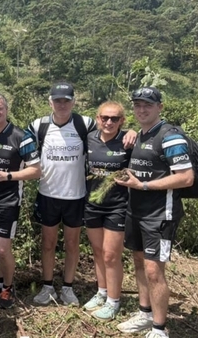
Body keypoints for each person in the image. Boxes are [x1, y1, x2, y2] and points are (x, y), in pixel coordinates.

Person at [28, 82, 135, 306]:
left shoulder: (83, 124)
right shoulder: (39, 125)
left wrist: (132, 132)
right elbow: (22, 146)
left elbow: (110, 133)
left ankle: (67, 288)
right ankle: (47, 286)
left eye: (67, 100)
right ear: (50, 102)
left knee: (72, 243)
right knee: (48, 243)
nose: (62, 104)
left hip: (76, 196)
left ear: (73, 102)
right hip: (48, 194)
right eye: (58, 100)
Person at [114, 87, 193, 338]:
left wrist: (145, 186)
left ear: (160, 106)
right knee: (139, 262)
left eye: (147, 105)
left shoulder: (170, 136)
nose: (141, 109)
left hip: (160, 213)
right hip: (136, 211)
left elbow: (185, 177)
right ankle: (145, 314)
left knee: (154, 270)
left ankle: (160, 332)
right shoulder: (140, 135)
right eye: (137, 105)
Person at [0, 93, 40, 308]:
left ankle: (9, 287)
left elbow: (37, 170)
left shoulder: (21, 136)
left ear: (6, 110)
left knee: (3, 248)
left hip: (8, 200)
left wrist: (7, 176)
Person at [81, 101, 131, 321]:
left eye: (114, 118)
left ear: (122, 121)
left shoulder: (128, 141)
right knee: (98, 251)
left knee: (111, 255)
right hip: (92, 203)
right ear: (97, 118)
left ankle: (114, 301)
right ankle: (101, 292)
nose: (109, 122)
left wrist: (135, 132)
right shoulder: (90, 138)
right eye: (104, 118)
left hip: (117, 205)